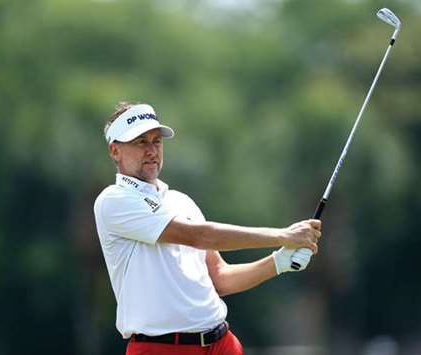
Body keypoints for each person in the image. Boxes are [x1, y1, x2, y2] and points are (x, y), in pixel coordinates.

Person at [93, 102, 322, 355]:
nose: (152, 150)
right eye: (140, 142)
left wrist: (279, 261)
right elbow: (198, 236)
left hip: (222, 343)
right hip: (160, 348)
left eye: (156, 141)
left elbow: (220, 278)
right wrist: (283, 235)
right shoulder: (113, 201)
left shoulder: (181, 201)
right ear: (115, 151)